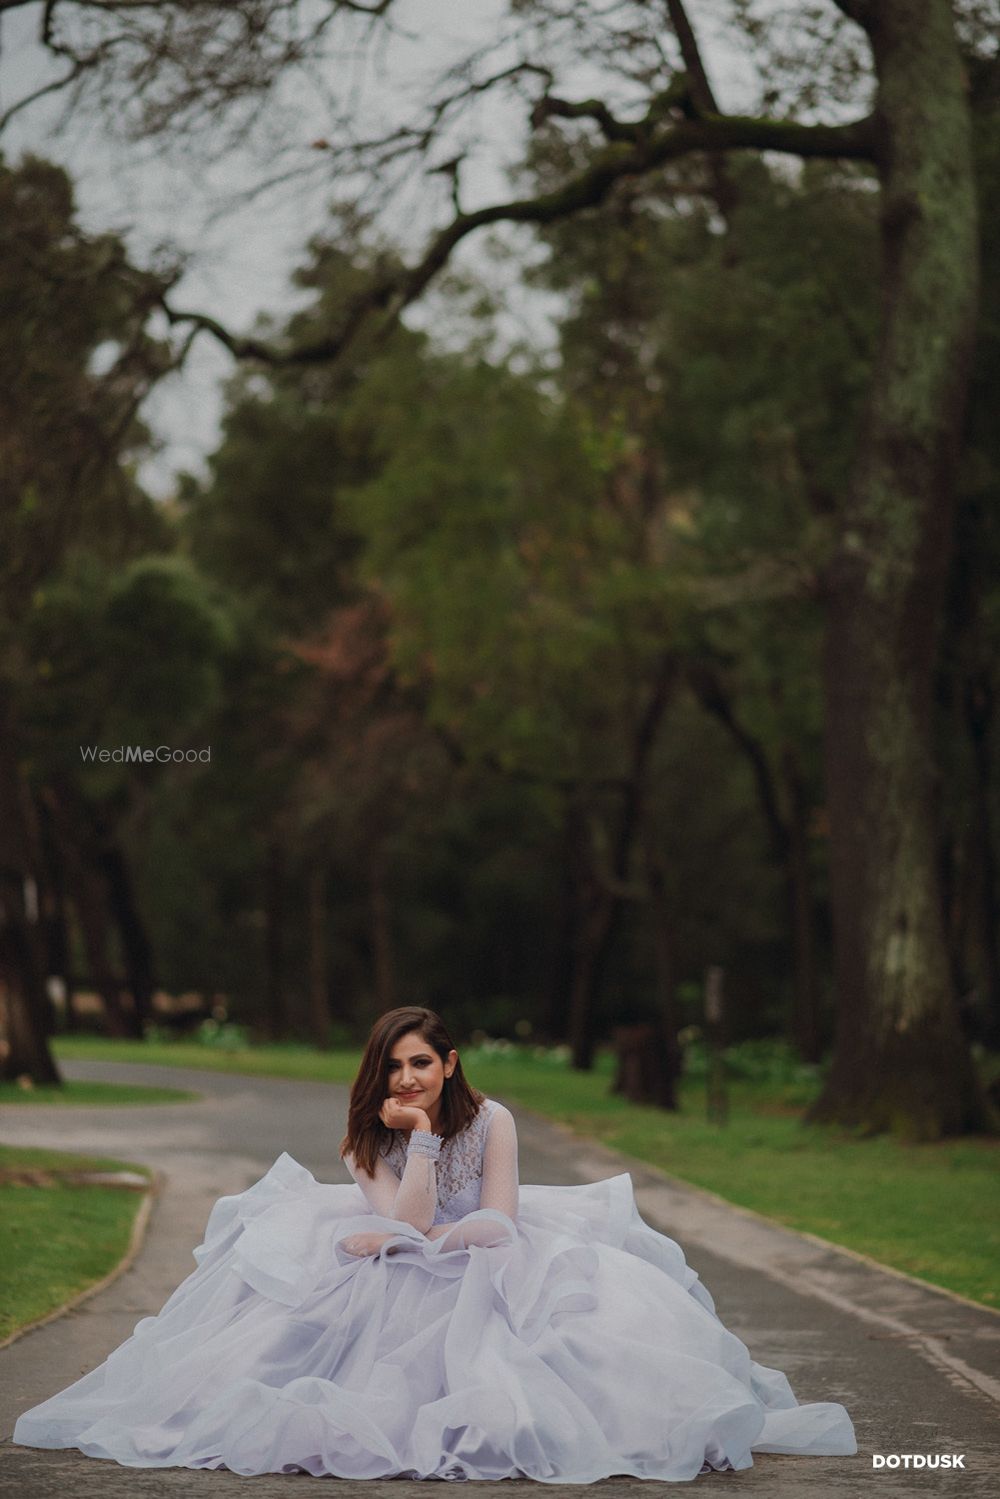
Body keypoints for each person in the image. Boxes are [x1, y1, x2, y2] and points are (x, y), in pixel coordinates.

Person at [13, 1006, 857, 1481]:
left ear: (450, 1062)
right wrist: (414, 1140)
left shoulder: (495, 1120)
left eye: (420, 1063)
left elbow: (500, 1218)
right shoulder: (362, 1139)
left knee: (519, 1314)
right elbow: (404, 1220)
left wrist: (429, 1231)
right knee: (355, 1296)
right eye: (392, 1067)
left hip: (486, 1247)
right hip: (404, 1243)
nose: (405, 1077)